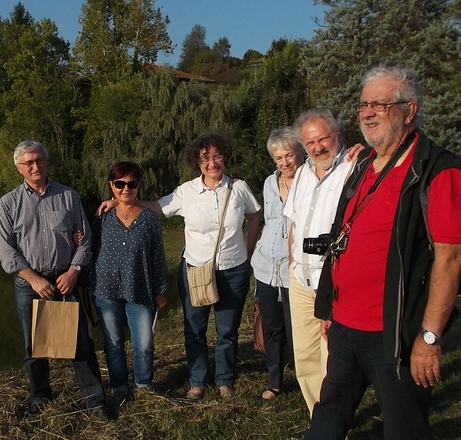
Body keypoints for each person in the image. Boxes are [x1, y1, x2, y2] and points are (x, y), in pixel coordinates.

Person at [258, 65, 461, 440]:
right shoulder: (365, 167)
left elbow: (451, 259)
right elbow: (343, 241)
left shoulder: (438, 171)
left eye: (381, 104)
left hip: (396, 330)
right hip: (349, 322)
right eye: (363, 105)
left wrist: (429, 337)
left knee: (405, 433)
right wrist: (331, 309)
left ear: (409, 111)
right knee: (332, 405)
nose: (369, 112)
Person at [100, 132, 260, 400]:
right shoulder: (186, 191)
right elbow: (155, 208)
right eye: (205, 158)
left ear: (225, 158)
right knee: (194, 330)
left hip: (233, 269)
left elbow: (254, 217)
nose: (212, 163)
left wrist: (250, 251)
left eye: (217, 156)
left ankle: (224, 380)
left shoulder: (239, 188)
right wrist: (120, 199)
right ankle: (197, 381)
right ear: (196, 161)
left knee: (227, 330)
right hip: (196, 270)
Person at [0, 140, 111, 420]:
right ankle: (40, 398)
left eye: (39, 160)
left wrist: (74, 271)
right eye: (28, 163)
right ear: (18, 167)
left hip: (65, 281)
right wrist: (34, 279)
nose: (35, 167)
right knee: (34, 346)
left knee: (81, 343)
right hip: (30, 284)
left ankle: (95, 402)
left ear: (47, 162)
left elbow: (85, 239)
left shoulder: (68, 196)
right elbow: (5, 249)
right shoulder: (9, 203)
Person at [285, 108, 356, 418]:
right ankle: (319, 420)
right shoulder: (301, 172)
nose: (317, 147)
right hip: (301, 279)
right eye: (310, 142)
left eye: (323, 138)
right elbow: (294, 222)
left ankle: (336, 435)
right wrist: (291, 256)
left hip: (335, 279)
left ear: (338, 135)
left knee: (334, 360)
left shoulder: (355, 168)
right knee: (306, 357)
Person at [90, 161, 168, 407]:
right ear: (112, 185)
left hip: (140, 289)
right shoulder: (102, 218)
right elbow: (90, 250)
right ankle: (119, 386)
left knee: (144, 344)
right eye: (120, 183)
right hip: (106, 290)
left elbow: (158, 256)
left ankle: (143, 384)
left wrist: (160, 291)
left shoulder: (149, 219)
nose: (126, 189)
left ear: (138, 185)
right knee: (113, 344)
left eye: (131, 183)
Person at [250, 127, 304, 400]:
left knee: (297, 331)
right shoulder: (269, 183)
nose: (285, 162)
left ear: (299, 153)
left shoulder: (310, 180)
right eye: (278, 157)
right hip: (266, 265)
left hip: (294, 268)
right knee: (272, 327)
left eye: (289, 155)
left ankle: (308, 381)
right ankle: (275, 382)